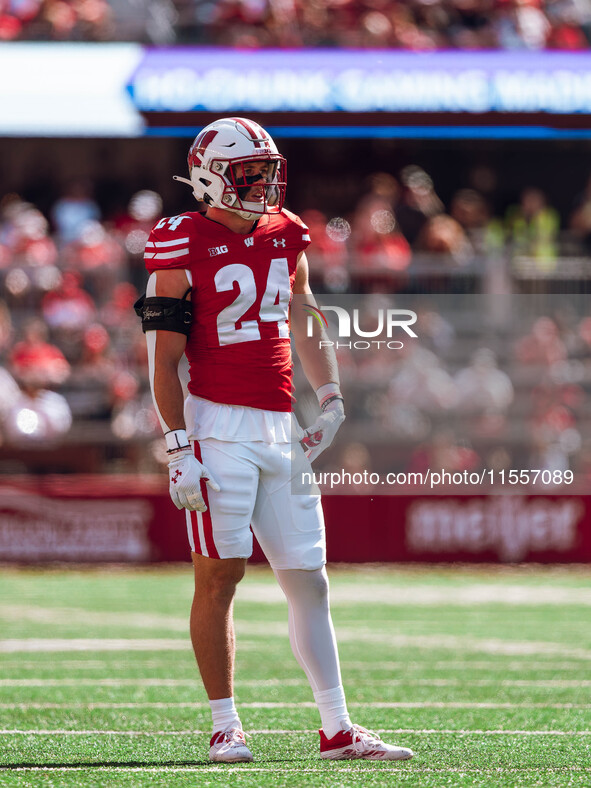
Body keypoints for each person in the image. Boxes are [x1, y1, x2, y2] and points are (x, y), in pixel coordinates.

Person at [136, 117, 414, 765]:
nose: (263, 183)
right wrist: (179, 444)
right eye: (248, 173)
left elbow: (302, 311)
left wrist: (332, 392)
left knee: (308, 579)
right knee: (220, 576)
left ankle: (337, 726)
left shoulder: (287, 231)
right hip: (216, 424)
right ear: (210, 177)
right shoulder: (178, 242)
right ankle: (224, 725)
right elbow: (162, 359)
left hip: (279, 426)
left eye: (267, 170)